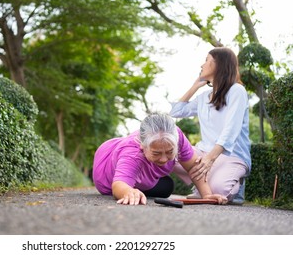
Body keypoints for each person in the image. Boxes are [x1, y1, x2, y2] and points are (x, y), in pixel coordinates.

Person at [169, 47, 251, 205]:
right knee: (168, 155)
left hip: (231, 155)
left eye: (207, 60)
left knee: (218, 192)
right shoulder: (203, 97)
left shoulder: (237, 91)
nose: (202, 65)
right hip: (203, 152)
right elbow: (176, 111)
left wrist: (209, 159)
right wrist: (195, 86)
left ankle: (236, 185)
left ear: (219, 65)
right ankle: (203, 186)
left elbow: (231, 131)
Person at [92, 112, 227, 205]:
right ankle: (135, 184)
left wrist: (207, 195)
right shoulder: (132, 153)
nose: (163, 159)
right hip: (106, 172)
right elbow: (118, 186)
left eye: (169, 152)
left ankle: (140, 181)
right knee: (133, 189)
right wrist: (128, 191)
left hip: (140, 168)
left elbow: (193, 167)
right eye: (156, 153)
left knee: (166, 187)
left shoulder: (176, 135)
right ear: (142, 146)